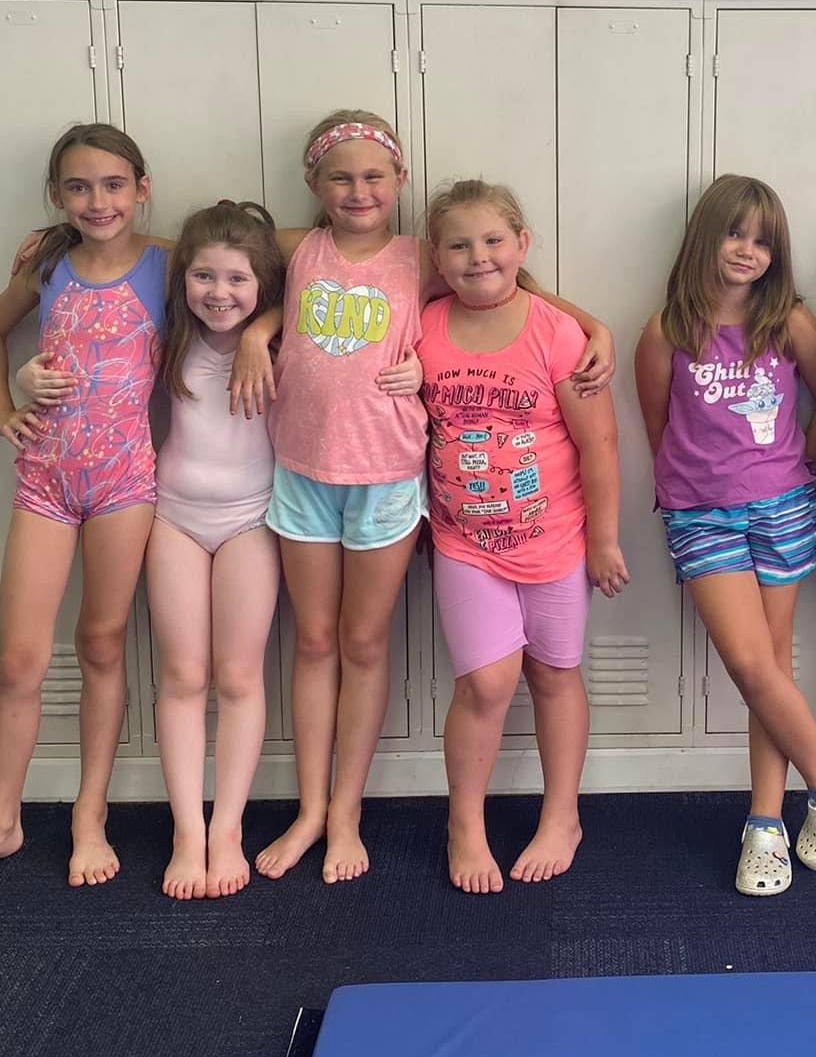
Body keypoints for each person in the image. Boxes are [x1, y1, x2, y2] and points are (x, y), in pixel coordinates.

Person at [235, 111, 614, 885]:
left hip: (396, 485)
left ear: (399, 181)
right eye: (341, 177)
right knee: (316, 643)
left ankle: (350, 815)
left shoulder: (419, 260)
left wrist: (594, 324)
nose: (359, 190)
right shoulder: (296, 247)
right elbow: (201, 251)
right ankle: (314, 813)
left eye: (374, 175)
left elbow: (507, 284)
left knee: (373, 645)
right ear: (314, 184)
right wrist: (255, 330)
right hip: (308, 475)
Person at [0, 124, 167, 898]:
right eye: (79, 187)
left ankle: (90, 814)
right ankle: (0, 822)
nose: (98, 201)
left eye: (114, 184)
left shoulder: (168, 262)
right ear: (57, 195)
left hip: (124, 483)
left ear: (142, 188)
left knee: (100, 644)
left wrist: (257, 337)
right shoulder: (47, 264)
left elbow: (267, 258)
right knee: (20, 661)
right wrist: (5, 402)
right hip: (46, 480)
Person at [635, 175, 816, 895]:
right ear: (706, 236)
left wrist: (802, 464)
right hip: (701, 513)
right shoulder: (667, 330)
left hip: (782, 507)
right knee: (749, 663)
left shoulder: (788, 320)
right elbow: (658, 428)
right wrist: (696, 486)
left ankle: (765, 825)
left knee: (770, 672)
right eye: (735, 234)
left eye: (763, 241)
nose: (747, 251)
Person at [419, 180, 627, 893]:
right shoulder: (424, 325)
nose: (478, 257)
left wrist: (604, 540)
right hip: (463, 543)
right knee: (485, 682)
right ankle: (465, 825)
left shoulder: (556, 332)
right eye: (458, 245)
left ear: (522, 245)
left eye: (493, 241)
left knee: (554, 674)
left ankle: (562, 816)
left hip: (557, 541)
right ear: (436, 257)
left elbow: (600, 444)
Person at [147, 202, 285, 898]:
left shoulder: (284, 341)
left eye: (237, 278)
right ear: (183, 278)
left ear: (264, 284)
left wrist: (264, 329)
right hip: (172, 518)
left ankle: (226, 828)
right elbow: (122, 250)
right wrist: (54, 238)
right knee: (182, 674)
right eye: (204, 275)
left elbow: (334, 265)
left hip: (250, 521)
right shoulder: (169, 335)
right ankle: (186, 830)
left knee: (237, 676)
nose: (219, 292)